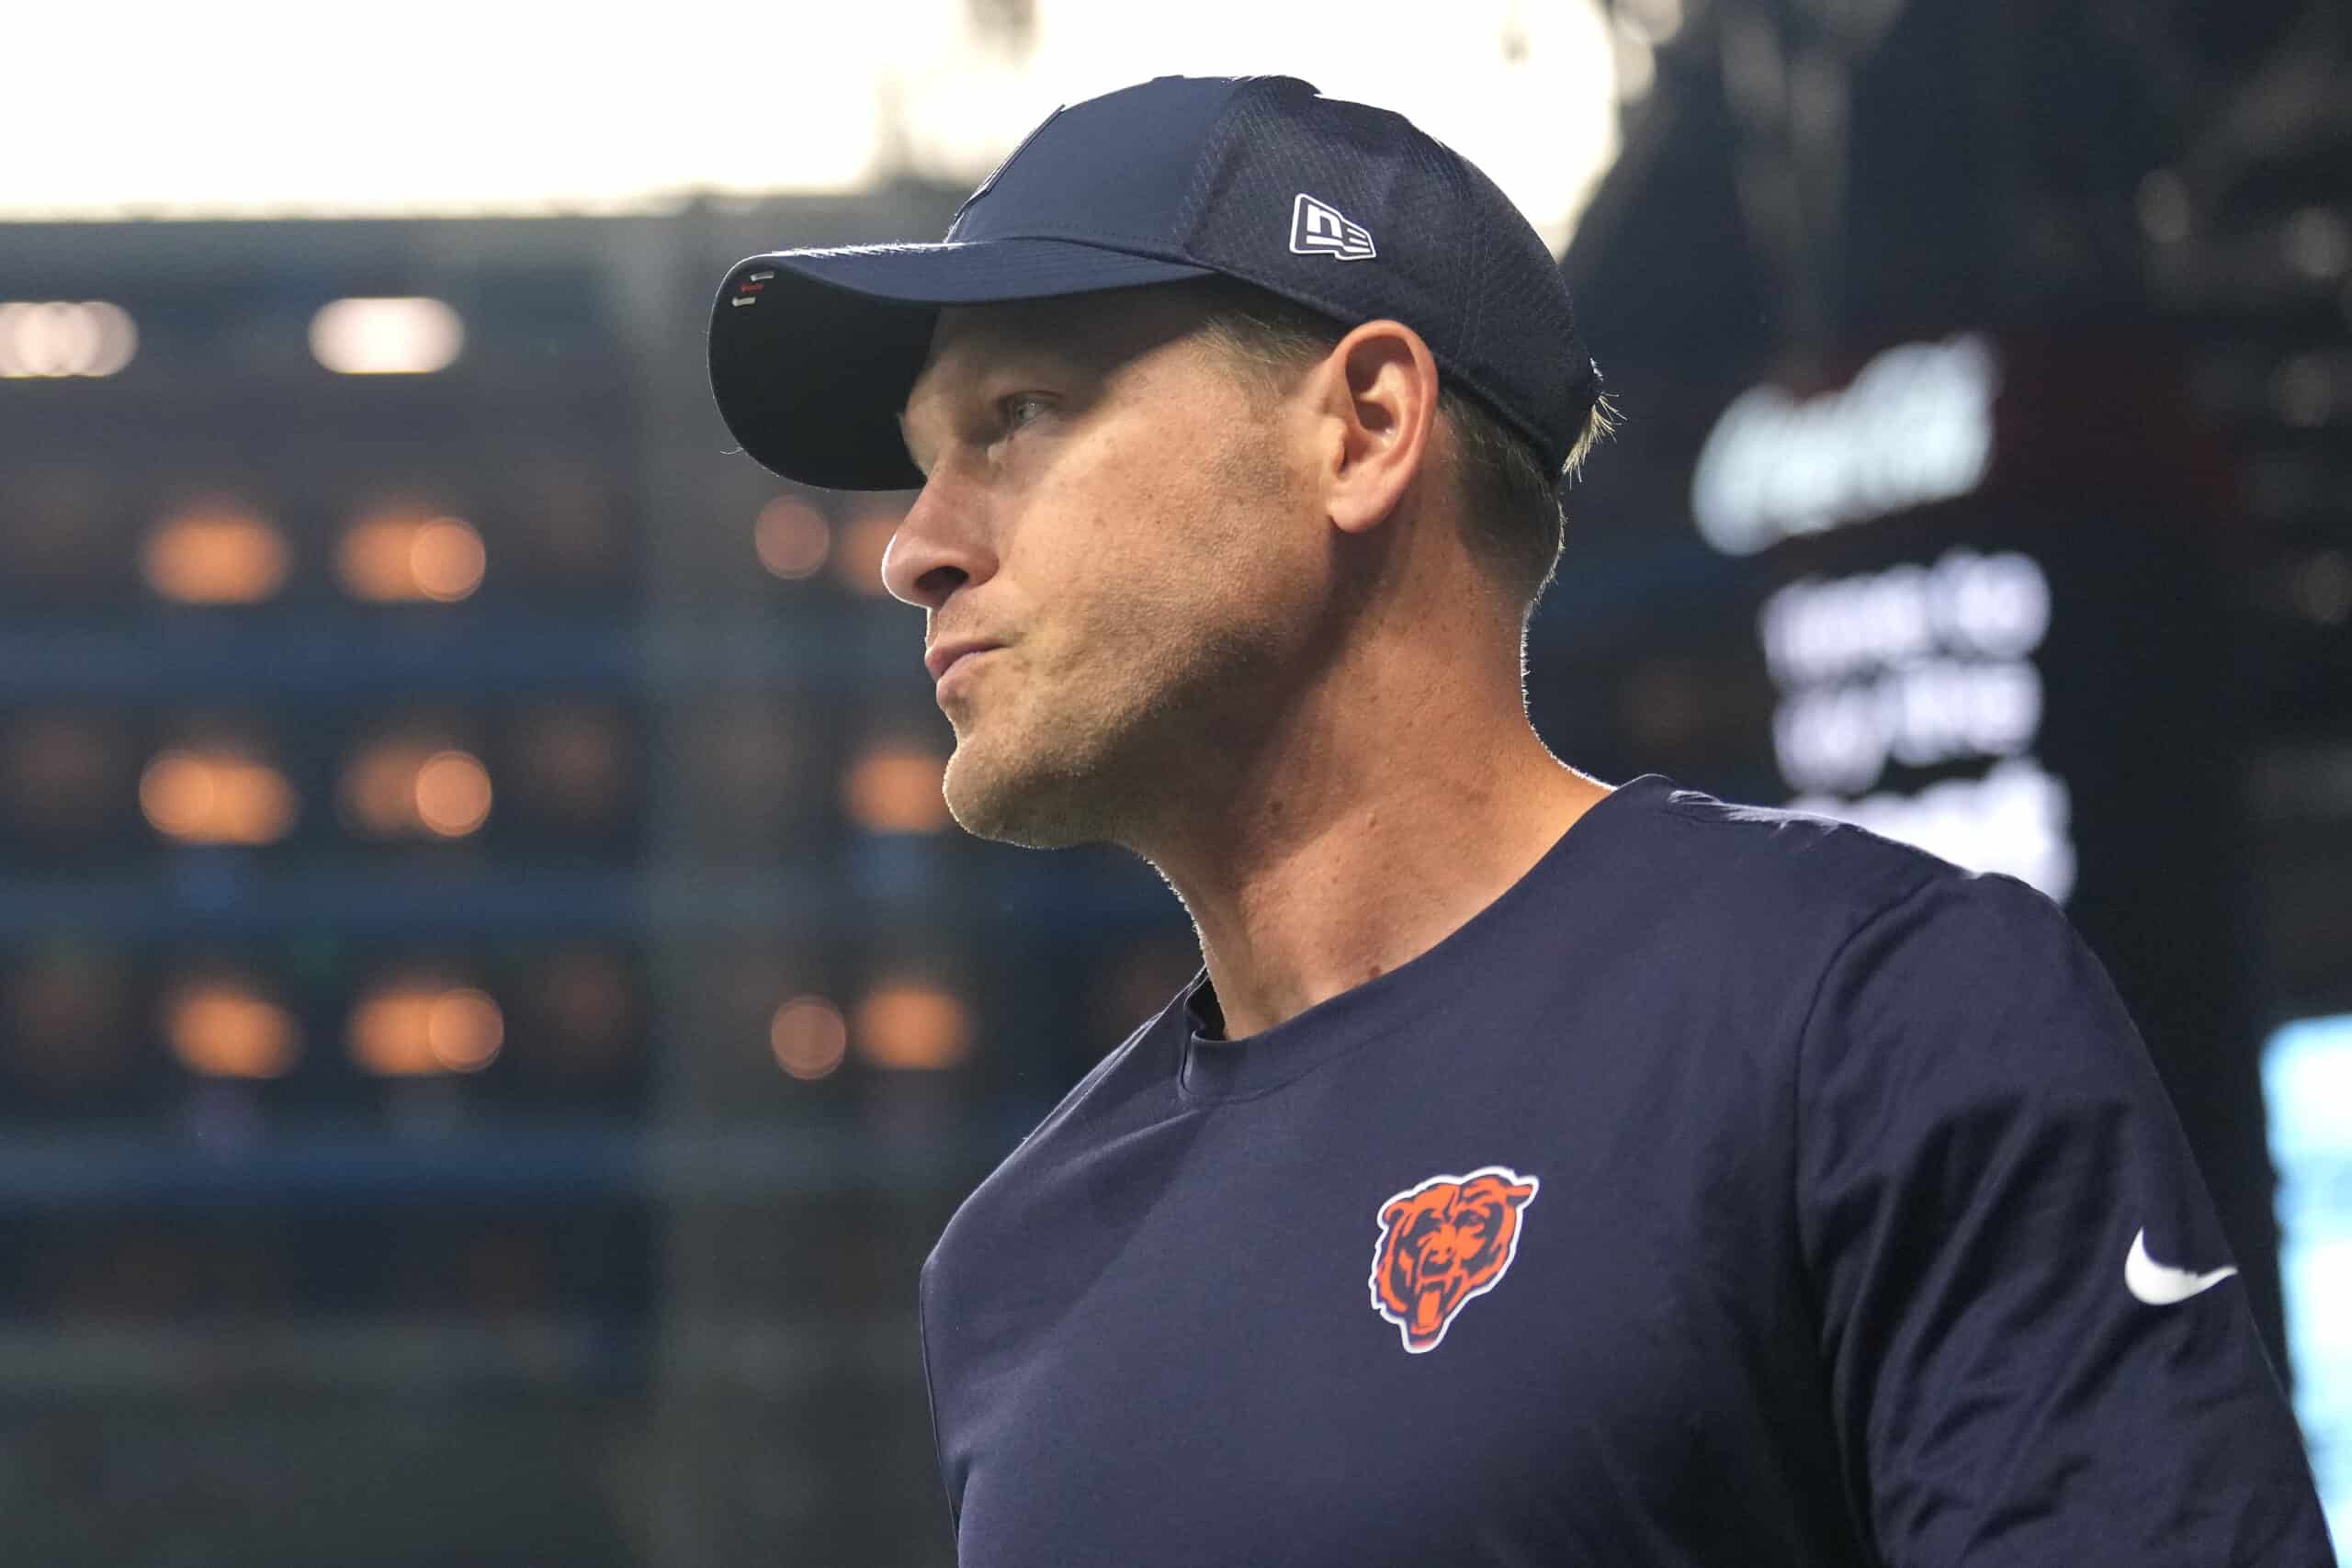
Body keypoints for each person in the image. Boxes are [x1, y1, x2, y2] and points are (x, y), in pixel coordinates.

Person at [707, 73, 2335, 1567]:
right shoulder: (1012, 1263)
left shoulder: (1869, 1016)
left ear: (1363, 426)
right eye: (924, 464)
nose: (913, 548)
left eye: (1016, 417)